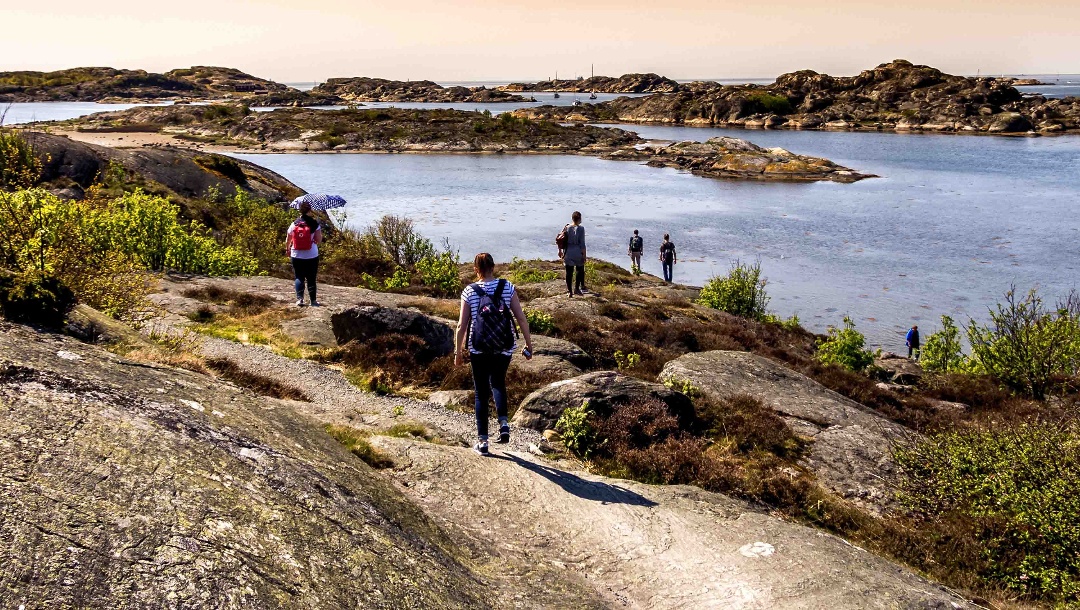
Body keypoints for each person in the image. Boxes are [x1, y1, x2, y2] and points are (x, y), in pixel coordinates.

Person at [455, 253, 534, 456]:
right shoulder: (507, 287)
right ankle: (504, 424)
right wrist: (528, 344)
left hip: (478, 348)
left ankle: (483, 442)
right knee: (498, 383)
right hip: (503, 347)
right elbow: (521, 319)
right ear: (494, 267)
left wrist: (458, 352)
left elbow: (461, 325)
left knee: (481, 393)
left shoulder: (469, 291)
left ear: (476, 269)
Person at [285, 202, 323, 307]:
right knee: (311, 278)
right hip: (312, 255)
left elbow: (289, 238)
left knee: (299, 277)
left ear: (300, 210)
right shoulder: (315, 224)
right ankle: (313, 301)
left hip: (296, 254)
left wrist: (287, 249)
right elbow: (318, 240)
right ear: (309, 211)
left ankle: (300, 299)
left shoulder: (294, 224)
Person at [560, 211, 587, 297]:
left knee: (569, 272)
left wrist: (560, 251)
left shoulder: (567, 227)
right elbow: (582, 244)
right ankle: (577, 289)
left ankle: (569, 291)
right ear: (579, 219)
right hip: (577, 251)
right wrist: (584, 255)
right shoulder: (581, 229)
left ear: (572, 218)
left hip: (568, 251)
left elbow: (561, 240)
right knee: (579, 270)